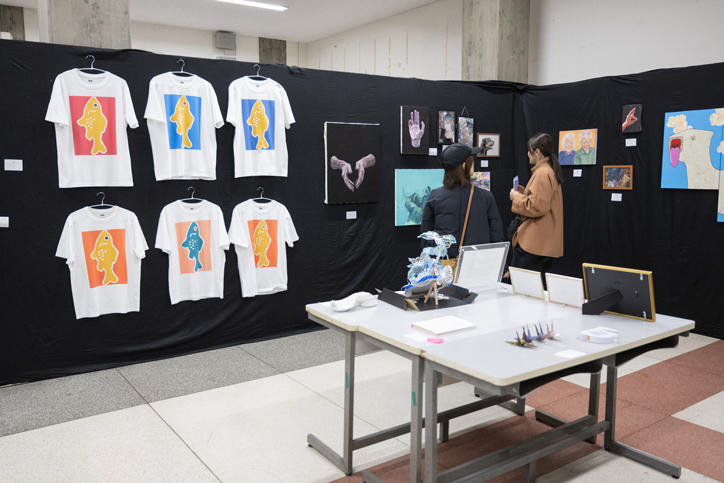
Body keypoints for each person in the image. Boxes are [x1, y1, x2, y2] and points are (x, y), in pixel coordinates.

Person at [421, 143, 504, 258]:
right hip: (476, 262)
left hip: (445, 264)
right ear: (464, 165)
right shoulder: (485, 197)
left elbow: (426, 237)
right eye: (471, 161)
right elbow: (497, 236)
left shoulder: (434, 196)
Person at [508, 133, 564, 276]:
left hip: (534, 243)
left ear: (537, 152)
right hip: (543, 242)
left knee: (523, 284)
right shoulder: (548, 171)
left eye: (530, 150)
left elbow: (537, 207)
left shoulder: (542, 173)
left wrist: (516, 197)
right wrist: (524, 193)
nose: (528, 154)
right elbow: (542, 201)